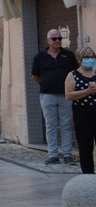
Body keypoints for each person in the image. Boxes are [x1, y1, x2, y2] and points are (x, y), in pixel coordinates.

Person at [31, 29, 77, 165]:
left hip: (65, 96)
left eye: (59, 38)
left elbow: (74, 73)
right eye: (54, 39)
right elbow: (35, 76)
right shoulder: (39, 57)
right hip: (47, 96)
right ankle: (53, 155)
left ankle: (67, 155)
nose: (57, 41)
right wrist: (46, 84)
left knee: (66, 125)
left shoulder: (69, 56)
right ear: (48, 41)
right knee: (50, 126)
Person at [64, 46, 96, 174]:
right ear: (79, 58)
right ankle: (88, 175)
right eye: (86, 57)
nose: (90, 59)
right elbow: (69, 95)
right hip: (82, 113)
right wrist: (88, 91)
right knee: (85, 145)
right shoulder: (73, 75)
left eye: (92, 57)